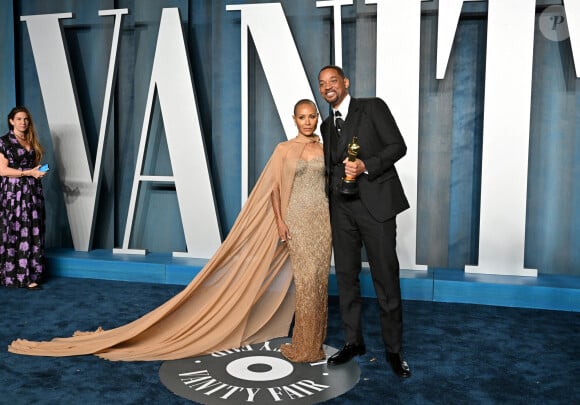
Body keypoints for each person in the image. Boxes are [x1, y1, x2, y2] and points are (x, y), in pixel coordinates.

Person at [8, 99, 331, 363]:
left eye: (312, 116)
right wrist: (280, 221)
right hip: (295, 220)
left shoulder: (326, 147)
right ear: (293, 119)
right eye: (302, 116)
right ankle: (304, 345)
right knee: (305, 283)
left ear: (318, 117)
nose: (308, 121)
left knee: (315, 281)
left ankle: (311, 343)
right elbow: (274, 190)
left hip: (322, 222)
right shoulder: (283, 149)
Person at [317, 65, 412, 377]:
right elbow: (331, 169)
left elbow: (398, 146)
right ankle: (352, 341)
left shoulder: (372, 107)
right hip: (342, 208)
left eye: (333, 80)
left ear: (346, 82)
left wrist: (366, 166)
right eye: (322, 84)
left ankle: (394, 351)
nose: (328, 87)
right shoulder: (327, 126)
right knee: (346, 277)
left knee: (385, 278)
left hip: (377, 206)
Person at [0, 106, 48, 290]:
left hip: (33, 191)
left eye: (26, 119)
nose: (23, 122)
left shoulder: (30, 140)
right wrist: (29, 172)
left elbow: (31, 165)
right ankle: (18, 276)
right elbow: (2, 170)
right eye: (19, 119)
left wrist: (37, 171)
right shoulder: (4, 142)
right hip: (14, 194)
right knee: (17, 231)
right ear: (11, 121)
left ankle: (33, 272)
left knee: (34, 229)